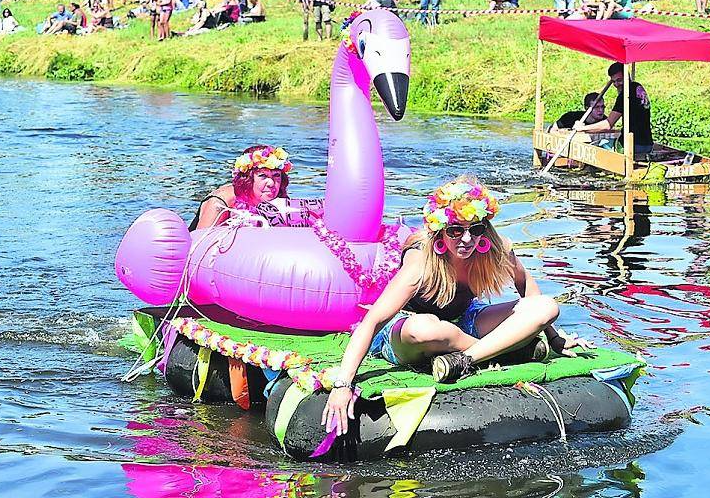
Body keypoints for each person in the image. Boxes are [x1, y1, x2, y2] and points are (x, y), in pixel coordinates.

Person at [321, 176, 595, 433]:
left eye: (474, 230)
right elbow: (373, 320)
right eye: (455, 231)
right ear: (440, 231)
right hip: (409, 330)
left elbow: (528, 289)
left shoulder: (497, 249)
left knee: (546, 306)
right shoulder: (421, 263)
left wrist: (555, 338)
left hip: (463, 324)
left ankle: (465, 360)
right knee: (428, 328)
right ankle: (507, 351)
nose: (467, 239)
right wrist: (343, 384)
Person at [190, 145, 324, 230]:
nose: (271, 183)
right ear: (248, 179)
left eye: (276, 175)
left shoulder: (278, 199)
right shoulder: (222, 201)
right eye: (263, 176)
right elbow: (199, 245)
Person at [575, 62, 653, 158]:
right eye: (613, 81)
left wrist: (582, 128)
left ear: (626, 76)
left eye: (619, 80)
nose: (616, 84)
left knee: (599, 146)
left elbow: (608, 124)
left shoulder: (625, 95)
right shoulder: (637, 87)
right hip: (647, 144)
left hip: (633, 146)